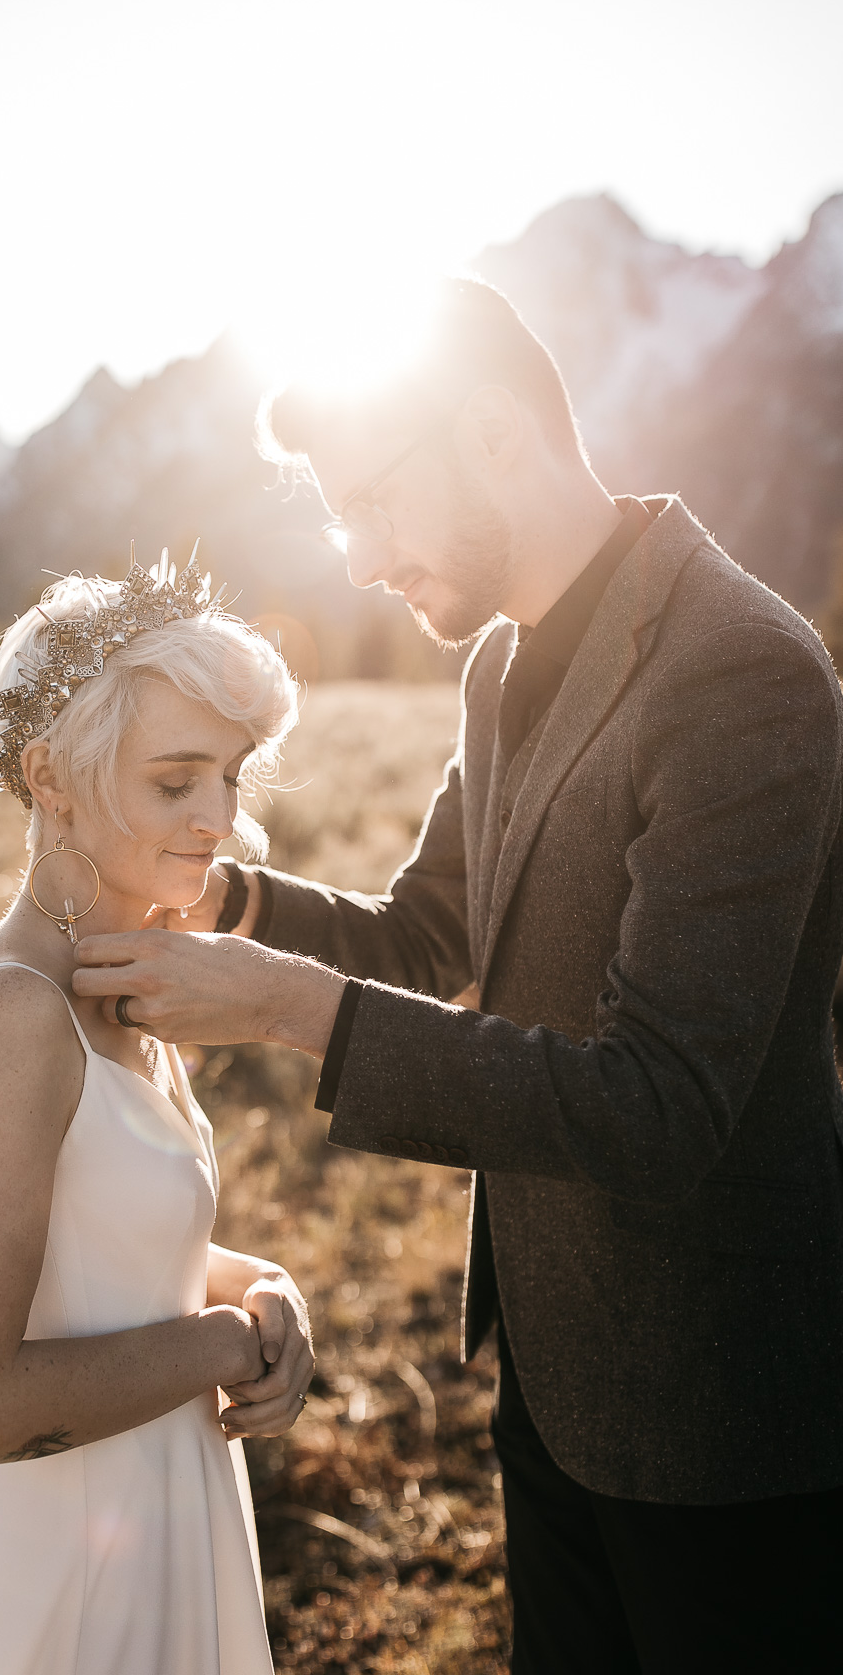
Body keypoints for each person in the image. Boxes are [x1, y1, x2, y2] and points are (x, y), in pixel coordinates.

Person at [70, 280, 843, 1673]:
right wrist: (229, 895)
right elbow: (432, 932)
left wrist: (290, 1010)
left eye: (373, 502)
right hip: (554, 1377)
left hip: (722, 1420)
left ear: (495, 436)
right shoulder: (502, 664)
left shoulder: (741, 673)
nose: (358, 559)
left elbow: (659, 1102)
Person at [0, 554, 313, 1675]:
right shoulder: (15, 1013)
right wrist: (219, 1344)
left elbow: (103, 1246)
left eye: (230, 778)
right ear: (51, 777)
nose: (219, 819)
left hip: (156, 1516)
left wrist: (258, 1285)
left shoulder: (123, 974)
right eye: (176, 783)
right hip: (53, 1576)